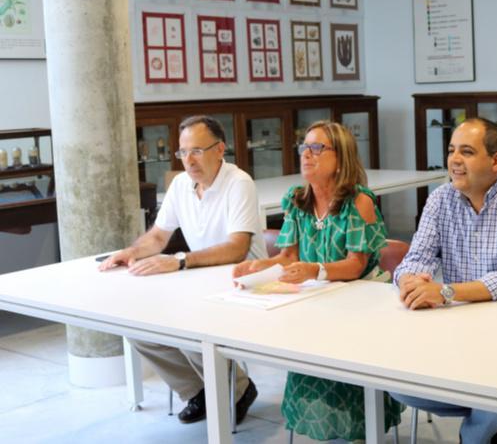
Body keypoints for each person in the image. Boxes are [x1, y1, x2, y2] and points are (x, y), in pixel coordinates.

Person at [233, 120, 404, 441]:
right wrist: (258, 266)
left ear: (340, 157)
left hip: (359, 303)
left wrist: (314, 270)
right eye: (304, 147)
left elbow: (355, 265)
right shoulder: (297, 200)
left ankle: (360, 430)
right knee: (305, 357)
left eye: (317, 148)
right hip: (316, 298)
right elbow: (288, 256)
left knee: (346, 368)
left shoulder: (358, 202)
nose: (306, 155)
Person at [390, 117, 497, 444]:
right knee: (398, 386)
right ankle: (494, 419)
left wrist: (444, 292)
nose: (454, 160)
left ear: (496, 161)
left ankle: (478, 432)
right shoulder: (440, 199)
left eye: (466, 151)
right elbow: (416, 258)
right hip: (462, 331)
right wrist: (409, 280)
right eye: (451, 151)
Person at [99, 115, 265, 425]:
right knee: (139, 328)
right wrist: (131, 252)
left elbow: (237, 248)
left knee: (186, 323)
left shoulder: (239, 182)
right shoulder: (180, 184)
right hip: (200, 280)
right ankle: (198, 390)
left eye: (197, 151)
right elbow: (159, 236)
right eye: (183, 152)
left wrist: (179, 261)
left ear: (220, 149)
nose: (189, 160)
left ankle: (239, 390)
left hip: (243, 281)